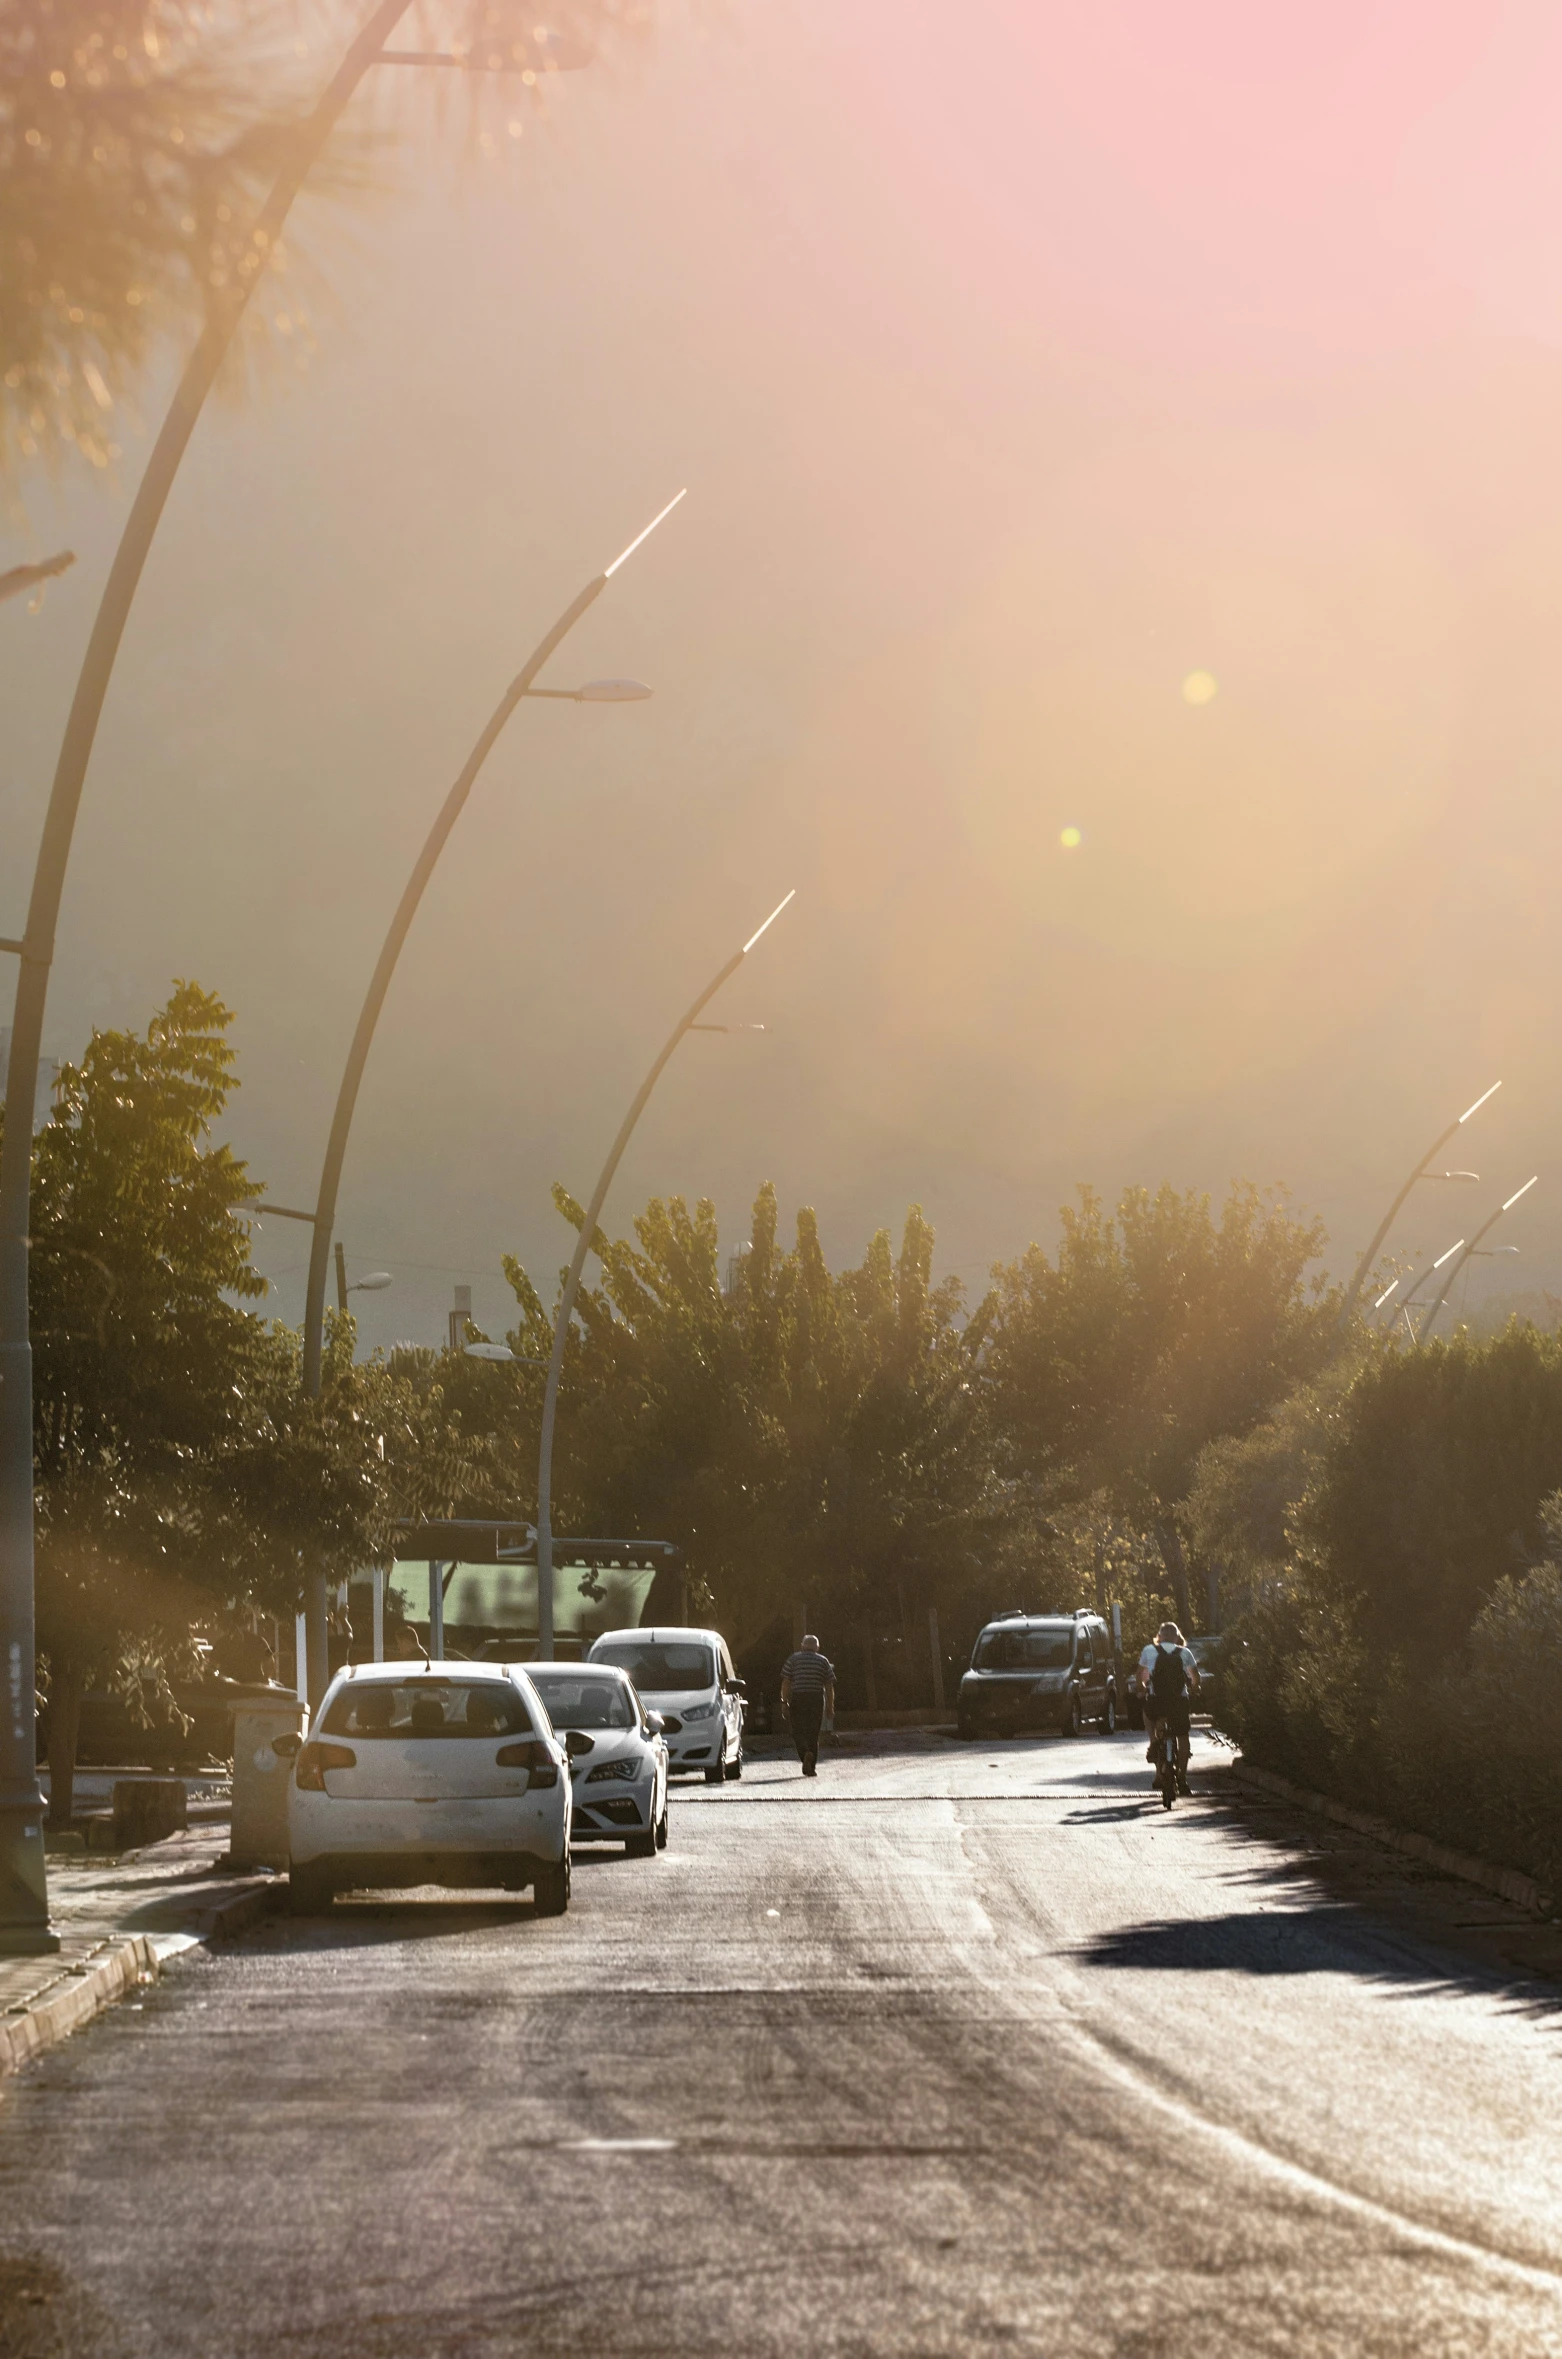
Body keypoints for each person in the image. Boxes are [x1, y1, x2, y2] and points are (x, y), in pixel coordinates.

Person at [1137, 1621, 1200, 1793]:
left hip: (1157, 1701)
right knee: (1183, 1736)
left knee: (1148, 1716)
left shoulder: (1149, 1650)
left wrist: (1143, 1689)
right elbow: (1195, 1677)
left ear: (1159, 1636)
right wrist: (1194, 1689)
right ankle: (1182, 1778)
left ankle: (1154, 1743)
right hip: (1179, 1702)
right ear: (1177, 1637)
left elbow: (1141, 1675)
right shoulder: (1185, 1652)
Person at [779, 1634, 836, 1777]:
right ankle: (811, 1766)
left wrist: (784, 1701)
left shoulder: (793, 1659)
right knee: (813, 1732)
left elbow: (786, 1682)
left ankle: (805, 1753)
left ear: (802, 1646)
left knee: (798, 1730)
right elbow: (829, 1686)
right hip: (816, 1698)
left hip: (798, 1698)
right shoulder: (823, 1661)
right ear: (817, 1647)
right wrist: (830, 1706)